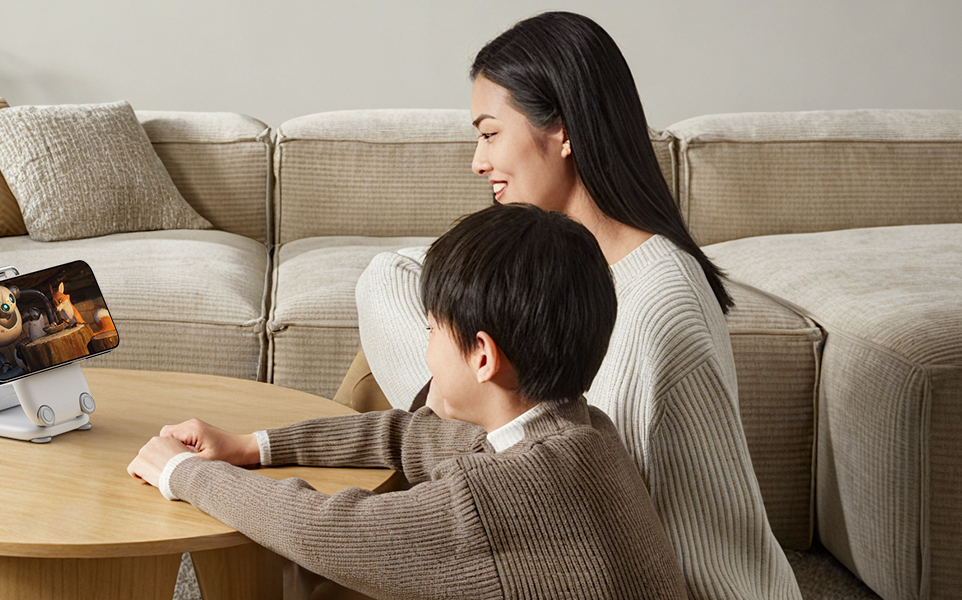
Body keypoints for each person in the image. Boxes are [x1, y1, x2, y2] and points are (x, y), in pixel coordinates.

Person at [351, 11, 799, 600]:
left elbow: (646, 526)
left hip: (649, 584)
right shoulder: (563, 268)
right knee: (430, 343)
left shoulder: (659, 303)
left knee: (418, 385)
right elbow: (393, 275)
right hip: (561, 546)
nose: (478, 161)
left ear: (561, 130)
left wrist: (463, 406)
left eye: (489, 133)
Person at [128, 203, 688, 600]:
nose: (424, 346)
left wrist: (181, 474)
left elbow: (328, 530)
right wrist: (252, 445)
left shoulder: (498, 496)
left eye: (430, 330)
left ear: (483, 356)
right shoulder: (581, 430)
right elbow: (402, 434)